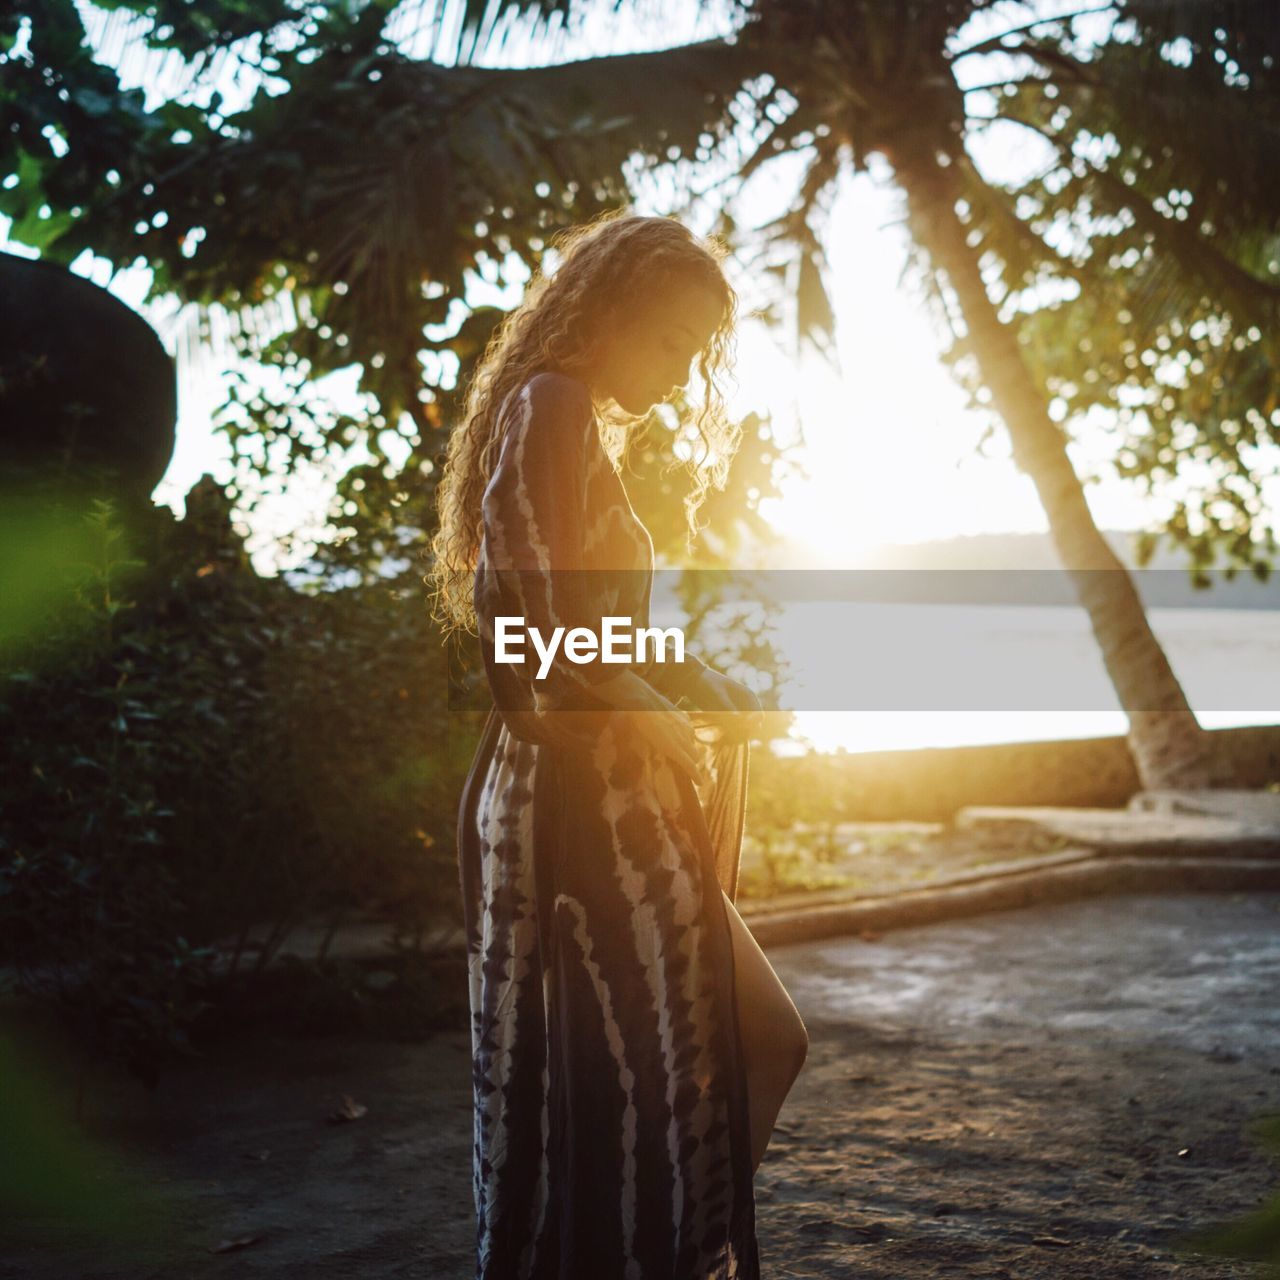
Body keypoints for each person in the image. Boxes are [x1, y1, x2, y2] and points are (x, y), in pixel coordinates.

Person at [427, 209, 809, 1279]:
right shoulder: (546, 404)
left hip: (611, 800)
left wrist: (690, 681)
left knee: (679, 1069)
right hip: (567, 804)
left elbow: (588, 623)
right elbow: (524, 621)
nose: (681, 371)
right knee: (673, 1067)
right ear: (602, 314)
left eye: (695, 351)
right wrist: (644, 700)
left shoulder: (574, 419)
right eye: (667, 341)